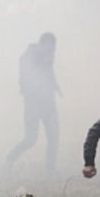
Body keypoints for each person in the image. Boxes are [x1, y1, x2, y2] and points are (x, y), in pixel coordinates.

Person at [5, 33, 60, 174]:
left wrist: (55, 87)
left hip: (48, 103)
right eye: (51, 47)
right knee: (30, 139)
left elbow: (49, 73)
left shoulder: (48, 55)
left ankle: (50, 170)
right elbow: (27, 78)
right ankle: (10, 158)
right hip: (33, 105)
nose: (53, 50)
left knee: (53, 136)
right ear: (43, 44)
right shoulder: (28, 57)